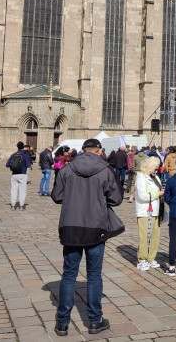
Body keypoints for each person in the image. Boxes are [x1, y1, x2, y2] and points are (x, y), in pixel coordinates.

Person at [51, 138, 123, 337]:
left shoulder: (66, 169)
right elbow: (116, 199)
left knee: (68, 275)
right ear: (99, 151)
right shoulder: (106, 170)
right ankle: (94, 321)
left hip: (71, 226)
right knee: (93, 275)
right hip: (95, 226)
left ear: (83, 150)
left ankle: (62, 323)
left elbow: (57, 196)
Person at [135, 156, 163, 271]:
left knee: (155, 235)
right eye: (155, 169)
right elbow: (143, 196)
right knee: (144, 236)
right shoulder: (141, 177)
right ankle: (142, 259)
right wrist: (157, 194)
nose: (156, 171)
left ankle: (151, 258)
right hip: (144, 211)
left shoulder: (155, 177)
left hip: (155, 210)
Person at [7, 142, 32, 210]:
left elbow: (7, 164)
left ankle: (13, 205)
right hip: (23, 174)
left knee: (14, 190)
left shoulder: (13, 155)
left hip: (14, 174)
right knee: (22, 190)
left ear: (17, 147)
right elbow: (28, 165)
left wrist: (14, 166)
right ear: (23, 147)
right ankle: (21, 206)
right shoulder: (25, 155)